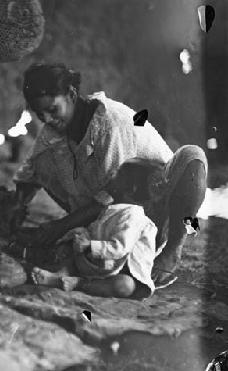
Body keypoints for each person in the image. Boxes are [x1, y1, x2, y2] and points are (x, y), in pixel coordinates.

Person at [12, 63, 207, 287]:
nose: (46, 119)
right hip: (108, 218)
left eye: (53, 110)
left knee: (193, 155)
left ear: (72, 94)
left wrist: (60, 226)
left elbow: (114, 194)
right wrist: (17, 206)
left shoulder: (110, 123)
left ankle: (172, 250)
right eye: (39, 114)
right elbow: (30, 170)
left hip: (152, 210)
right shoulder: (53, 130)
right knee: (44, 159)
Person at [31, 158, 165, 298]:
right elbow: (99, 229)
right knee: (74, 236)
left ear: (131, 188)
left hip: (123, 268)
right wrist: (82, 236)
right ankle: (61, 274)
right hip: (102, 260)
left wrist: (89, 245)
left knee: (123, 286)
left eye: (119, 175)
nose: (112, 176)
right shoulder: (114, 208)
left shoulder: (133, 216)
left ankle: (78, 283)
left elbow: (119, 248)